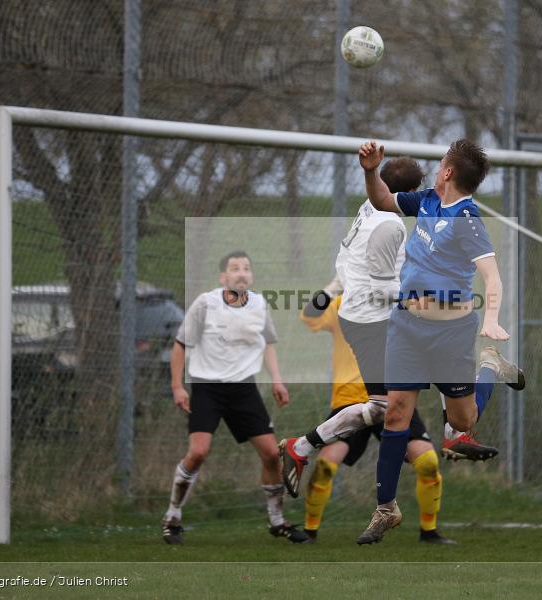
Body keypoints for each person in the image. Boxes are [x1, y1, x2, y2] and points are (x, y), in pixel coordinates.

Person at [280, 158, 523, 497]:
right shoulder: (391, 227)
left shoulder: (370, 208)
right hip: (371, 319)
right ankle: (301, 447)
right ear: (407, 192)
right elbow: (384, 289)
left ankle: (454, 430)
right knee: (385, 401)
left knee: (403, 384)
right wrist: (424, 298)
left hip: (362, 314)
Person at [354, 138, 514, 545]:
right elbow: (382, 200)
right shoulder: (425, 200)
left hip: (451, 335)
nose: (437, 166)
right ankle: (386, 509)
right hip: (407, 326)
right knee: (395, 413)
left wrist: (491, 319)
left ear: (448, 172)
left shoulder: (468, 219)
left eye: (441, 162)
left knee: (462, 423)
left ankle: (489, 366)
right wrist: (371, 172)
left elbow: (492, 277)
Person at [161, 250, 308, 545]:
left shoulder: (259, 304)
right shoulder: (206, 303)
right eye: (235, 268)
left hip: (243, 389)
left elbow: (267, 343)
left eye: (246, 268)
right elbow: (180, 345)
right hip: (207, 388)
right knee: (198, 452)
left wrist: (277, 380)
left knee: (271, 454)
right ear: (223, 277)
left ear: (251, 276)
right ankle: (172, 517)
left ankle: (277, 521)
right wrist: (177, 386)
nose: (241, 273)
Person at [298, 285, 456, 544]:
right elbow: (309, 316)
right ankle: (309, 531)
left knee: (428, 462)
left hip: (395, 398)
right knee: (325, 465)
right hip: (350, 401)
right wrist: (331, 288)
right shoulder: (342, 304)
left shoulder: (400, 304)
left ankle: (429, 532)